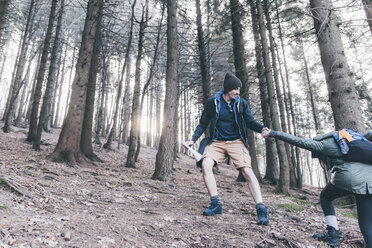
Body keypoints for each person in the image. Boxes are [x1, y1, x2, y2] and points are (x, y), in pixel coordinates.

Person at [263, 128, 372, 247]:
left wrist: (274, 133)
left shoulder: (323, 144)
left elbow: (299, 141)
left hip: (349, 177)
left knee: (325, 196)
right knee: (366, 223)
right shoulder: (350, 137)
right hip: (369, 180)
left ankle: (333, 234)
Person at [186, 72, 270, 225]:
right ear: (227, 88)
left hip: (236, 142)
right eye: (235, 89)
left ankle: (261, 209)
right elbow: (203, 123)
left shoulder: (241, 103)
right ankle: (216, 204)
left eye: (239, 90)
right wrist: (192, 139)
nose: (238, 92)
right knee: (206, 164)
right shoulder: (213, 102)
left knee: (247, 171)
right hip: (217, 142)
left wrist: (262, 129)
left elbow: (250, 122)